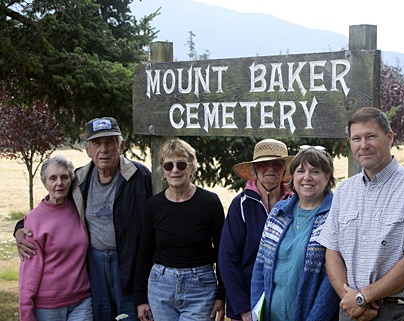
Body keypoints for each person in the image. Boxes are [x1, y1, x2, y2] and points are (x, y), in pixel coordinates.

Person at [15, 117, 153, 320]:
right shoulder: (80, 180)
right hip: (95, 267)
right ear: (87, 149)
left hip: (128, 266)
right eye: (97, 143)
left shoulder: (139, 177)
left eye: (109, 142)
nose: (103, 150)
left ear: (121, 145)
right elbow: (51, 208)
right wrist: (20, 228)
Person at [317, 107, 404, 321]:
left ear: (389, 137)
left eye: (371, 136)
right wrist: (350, 300)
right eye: (356, 139)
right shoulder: (345, 191)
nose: (363, 145)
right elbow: (332, 251)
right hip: (351, 312)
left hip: (399, 312)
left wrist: (362, 298)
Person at [134, 138, 225, 321]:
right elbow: (144, 252)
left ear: (192, 168)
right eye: (169, 166)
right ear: (163, 172)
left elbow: (222, 251)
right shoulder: (154, 205)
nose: (175, 170)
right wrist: (140, 299)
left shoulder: (210, 203)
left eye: (181, 164)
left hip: (200, 288)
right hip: (160, 287)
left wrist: (222, 295)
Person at [250, 145, 340, 321]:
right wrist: (256, 312)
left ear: (327, 176)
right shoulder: (279, 213)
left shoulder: (336, 215)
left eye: (315, 171)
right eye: (300, 171)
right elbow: (260, 266)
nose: (307, 177)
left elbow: (332, 282)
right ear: (293, 176)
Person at [218, 139, 294, 321]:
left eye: (277, 164)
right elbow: (226, 259)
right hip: (245, 305)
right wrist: (244, 309)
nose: (270, 169)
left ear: (284, 170)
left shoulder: (294, 204)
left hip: (283, 305)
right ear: (254, 171)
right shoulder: (241, 205)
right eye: (263, 164)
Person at [19, 155, 92, 321]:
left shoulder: (80, 210)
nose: (59, 183)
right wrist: (26, 312)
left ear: (71, 181)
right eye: (53, 178)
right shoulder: (35, 219)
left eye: (64, 177)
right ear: (45, 183)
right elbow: (29, 271)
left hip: (82, 301)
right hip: (48, 306)